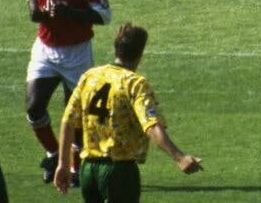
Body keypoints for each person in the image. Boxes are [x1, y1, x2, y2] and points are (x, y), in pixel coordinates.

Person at [53, 24, 201, 200]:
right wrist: (179, 157)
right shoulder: (134, 83)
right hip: (119, 172)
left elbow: (68, 121)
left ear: (116, 49)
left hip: (88, 170)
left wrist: (63, 163)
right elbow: (151, 126)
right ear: (140, 54)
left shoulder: (90, 76)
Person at [25, 0, 109, 185]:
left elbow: (104, 15)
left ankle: (74, 168)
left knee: (74, 116)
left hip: (77, 53)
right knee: (33, 106)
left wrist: (71, 13)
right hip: (46, 49)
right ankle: (52, 153)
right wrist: (33, 9)